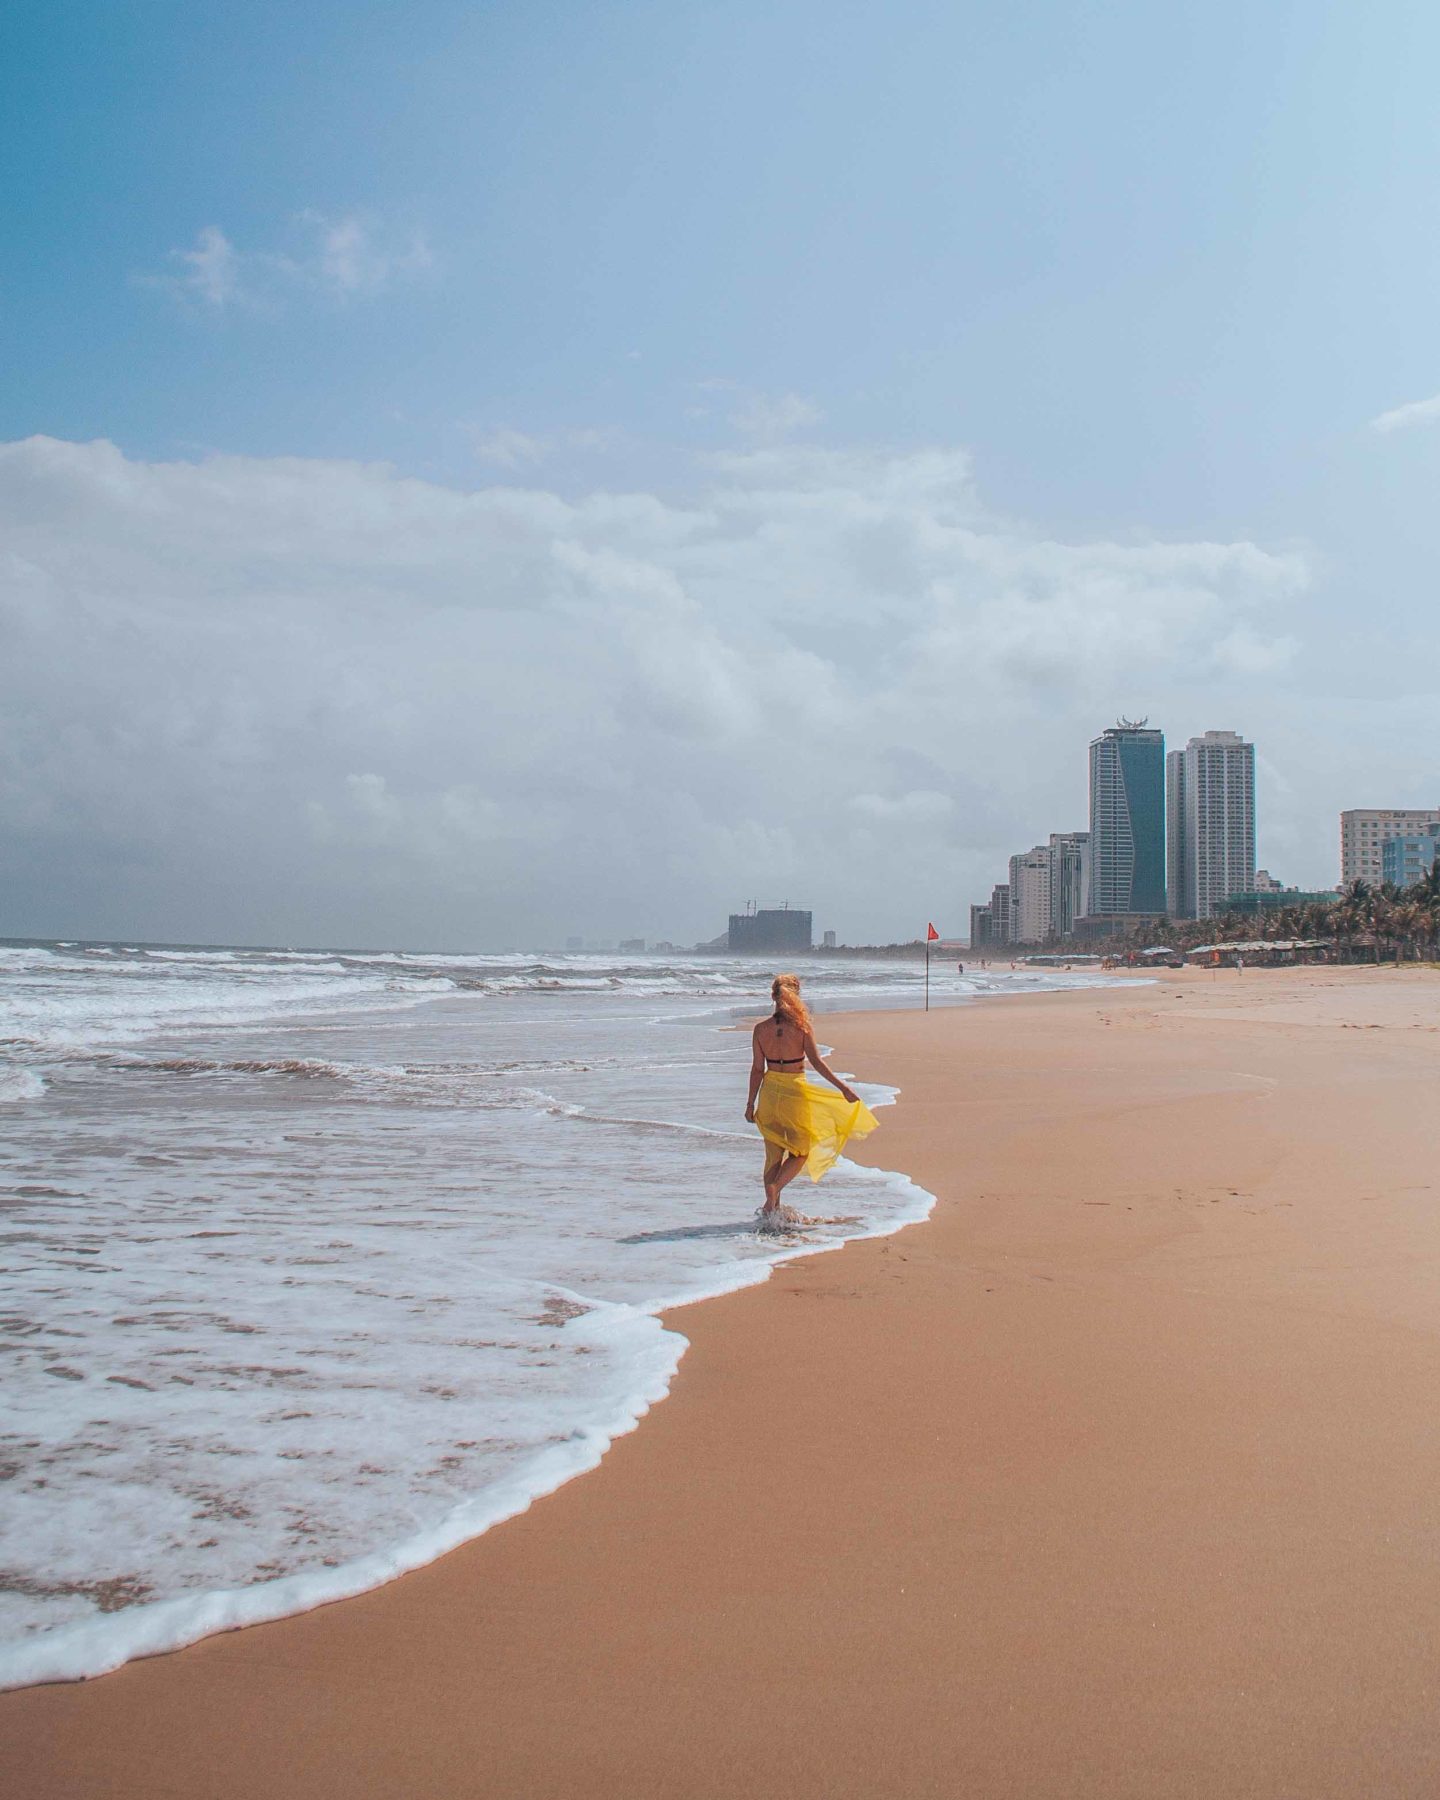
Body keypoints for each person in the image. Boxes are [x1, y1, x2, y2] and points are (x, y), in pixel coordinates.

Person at [746, 972, 878, 1220]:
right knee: (801, 1151)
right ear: (796, 997)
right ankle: (775, 1191)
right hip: (795, 1091)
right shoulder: (802, 1028)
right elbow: (817, 1062)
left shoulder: (760, 1029)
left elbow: (756, 1069)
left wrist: (750, 1103)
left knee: (773, 1155)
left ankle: (771, 1211)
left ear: (773, 997)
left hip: (770, 1092)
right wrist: (843, 1088)